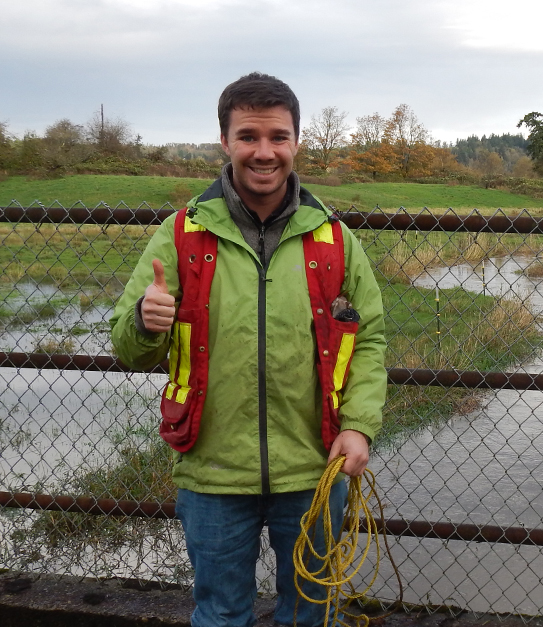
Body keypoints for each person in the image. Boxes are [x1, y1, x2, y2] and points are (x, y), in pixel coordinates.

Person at [110, 72, 387, 627]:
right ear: (225, 141)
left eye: (278, 137)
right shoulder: (181, 234)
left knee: (311, 613)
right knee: (219, 614)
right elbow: (128, 350)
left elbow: (369, 340)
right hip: (213, 473)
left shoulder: (334, 240)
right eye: (249, 136)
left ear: (297, 142)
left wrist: (357, 425)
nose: (265, 152)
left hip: (316, 469)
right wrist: (145, 322)